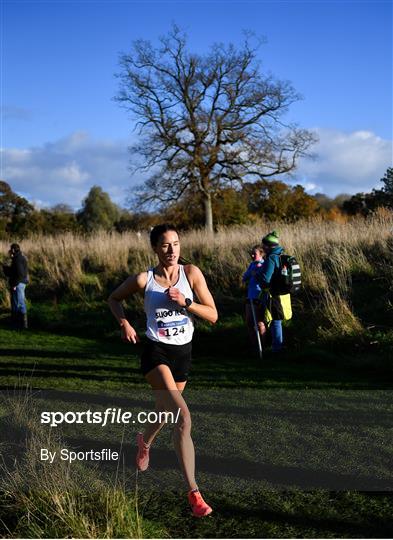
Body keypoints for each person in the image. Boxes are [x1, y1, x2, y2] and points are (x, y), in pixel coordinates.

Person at [108, 224, 218, 518]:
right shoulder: (145, 280)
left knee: (165, 412)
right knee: (183, 417)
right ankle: (194, 494)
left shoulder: (191, 274)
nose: (172, 250)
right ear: (155, 249)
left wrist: (187, 303)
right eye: (166, 245)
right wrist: (125, 323)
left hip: (183, 353)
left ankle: (144, 441)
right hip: (155, 352)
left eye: (176, 244)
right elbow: (113, 298)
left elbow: (213, 315)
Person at [256, 231, 290, 353]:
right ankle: (277, 346)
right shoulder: (280, 255)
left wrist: (257, 276)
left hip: (272, 293)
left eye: (264, 245)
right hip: (281, 293)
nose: (263, 247)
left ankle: (276, 348)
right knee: (277, 319)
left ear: (269, 246)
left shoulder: (271, 258)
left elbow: (266, 279)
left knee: (275, 320)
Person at [242, 245, 267, 347]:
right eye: (251, 253)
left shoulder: (264, 265)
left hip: (259, 296)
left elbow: (264, 279)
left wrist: (256, 273)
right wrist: (251, 273)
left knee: (259, 322)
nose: (252, 255)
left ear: (261, 254)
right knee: (249, 322)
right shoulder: (252, 265)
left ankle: (263, 346)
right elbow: (244, 277)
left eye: (254, 254)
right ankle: (254, 347)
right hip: (250, 296)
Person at [2, 243, 29, 329]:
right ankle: (16, 324)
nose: (9, 251)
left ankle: (23, 325)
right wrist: (5, 268)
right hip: (19, 283)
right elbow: (13, 272)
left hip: (18, 284)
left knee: (19, 303)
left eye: (11, 249)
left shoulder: (18, 259)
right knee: (15, 304)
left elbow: (20, 274)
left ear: (13, 250)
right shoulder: (18, 258)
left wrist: (14, 284)